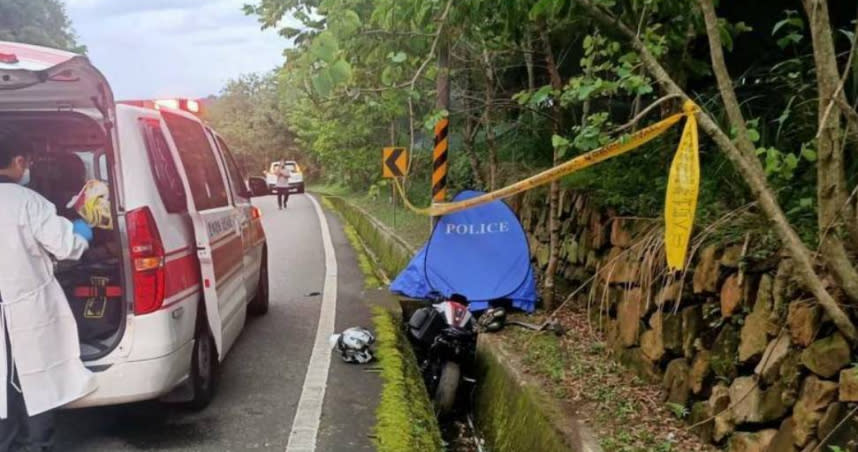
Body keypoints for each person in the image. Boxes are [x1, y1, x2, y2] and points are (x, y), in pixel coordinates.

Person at [0, 134, 97, 452]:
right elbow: (66, 247)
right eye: (26, 162)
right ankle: (35, 445)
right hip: (25, 310)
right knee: (35, 382)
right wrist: (83, 229)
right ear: (17, 162)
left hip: (14, 309)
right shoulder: (26, 201)